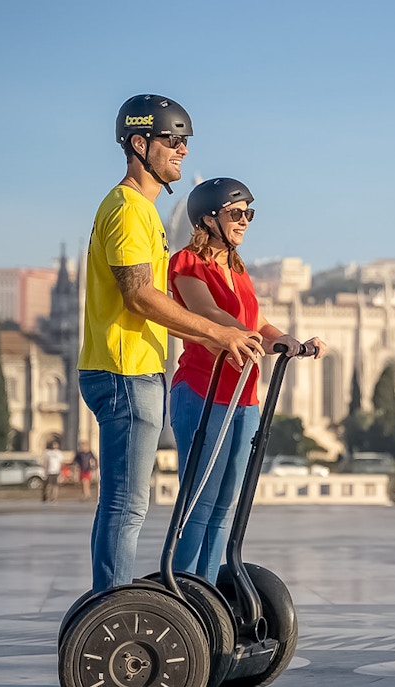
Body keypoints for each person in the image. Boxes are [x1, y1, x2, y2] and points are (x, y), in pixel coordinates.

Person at [79, 95, 266, 593]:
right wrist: (219, 333)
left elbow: (159, 306)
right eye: (172, 140)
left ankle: (127, 602)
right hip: (121, 370)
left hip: (137, 369)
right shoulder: (127, 209)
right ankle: (112, 609)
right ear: (139, 144)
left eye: (185, 141)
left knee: (129, 504)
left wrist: (222, 336)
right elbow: (139, 296)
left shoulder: (145, 214)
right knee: (126, 505)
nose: (181, 150)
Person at [169, 177, 325, 583]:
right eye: (236, 213)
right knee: (200, 500)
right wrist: (244, 333)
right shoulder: (187, 262)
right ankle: (180, 587)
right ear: (208, 218)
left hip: (244, 398)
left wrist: (287, 341)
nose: (244, 221)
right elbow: (205, 312)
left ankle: (208, 593)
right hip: (203, 389)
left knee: (226, 504)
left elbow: (258, 322)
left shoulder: (237, 270)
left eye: (248, 215)